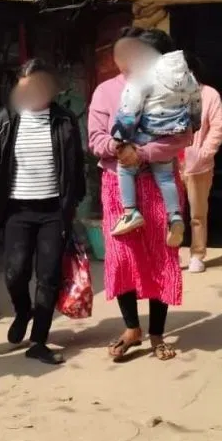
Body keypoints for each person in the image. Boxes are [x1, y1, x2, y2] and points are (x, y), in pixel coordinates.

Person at [90, 27, 191, 362]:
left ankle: (157, 333)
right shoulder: (105, 91)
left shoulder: (173, 88)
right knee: (123, 257)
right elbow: (95, 138)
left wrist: (143, 153)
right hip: (118, 186)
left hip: (160, 184)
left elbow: (183, 136)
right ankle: (132, 328)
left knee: (161, 255)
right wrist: (119, 148)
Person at [0, 60, 86, 365]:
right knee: (15, 273)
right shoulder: (8, 118)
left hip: (53, 210)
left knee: (48, 276)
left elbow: (76, 164)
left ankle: (38, 340)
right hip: (18, 209)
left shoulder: (64, 120)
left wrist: (73, 202)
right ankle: (24, 311)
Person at [110, 49, 201, 245]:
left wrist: (121, 137)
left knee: (125, 167)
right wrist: (195, 123)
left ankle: (130, 212)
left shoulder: (145, 77)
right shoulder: (189, 79)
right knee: (166, 176)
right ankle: (175, 216)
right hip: (172, 131)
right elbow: (196, 102)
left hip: (147, 131)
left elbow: (130, 108)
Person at [180, 53, 222, 273]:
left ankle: (197, 255)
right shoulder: (168, 96)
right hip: (169, 165)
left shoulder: (209, 95)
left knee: (197, 214)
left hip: (198, 166)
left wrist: (203, 153)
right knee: (170, 214)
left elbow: (218, 127)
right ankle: (170, 256)